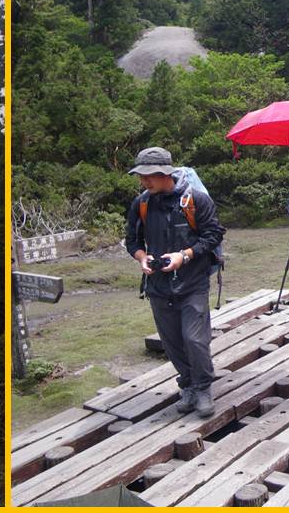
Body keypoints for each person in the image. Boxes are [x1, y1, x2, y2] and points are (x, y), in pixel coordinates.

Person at [125, 147, 226, 417]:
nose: (144, 182)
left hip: (192, 282)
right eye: (142, 177)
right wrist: (142, 257)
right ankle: (188, 385)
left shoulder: (196, 201)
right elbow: (132, 241)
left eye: (148, 177)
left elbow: (213, 235)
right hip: (158, 286)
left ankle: (203, 387)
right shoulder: (142, 204)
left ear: (164, 173)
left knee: (194, 339)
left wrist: (185, 255)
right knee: (172, 342)